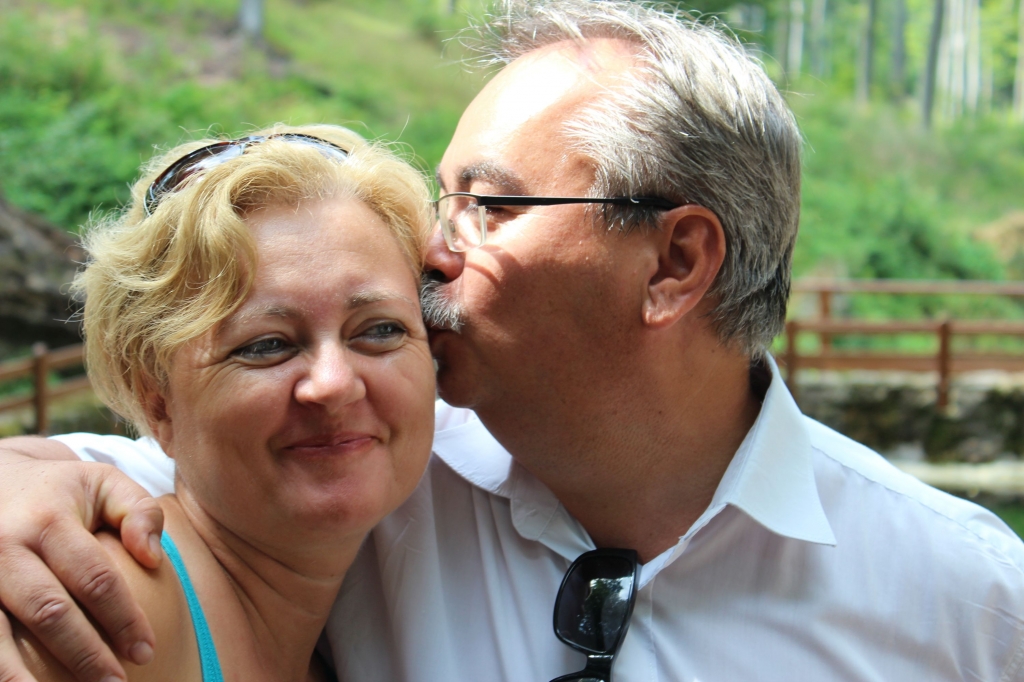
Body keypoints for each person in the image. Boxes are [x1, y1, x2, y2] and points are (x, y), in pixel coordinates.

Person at [3, 1, 1024, 681]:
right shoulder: (373, 468)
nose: (432, 251)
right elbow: (164, 470)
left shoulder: (968, 603)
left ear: (674, 262)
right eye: (441, 201)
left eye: (487, 206)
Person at [0, 124, 437, 681]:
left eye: (379, 330)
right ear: (159, 405)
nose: (334, 383)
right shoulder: (116, 610)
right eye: (266, 345)